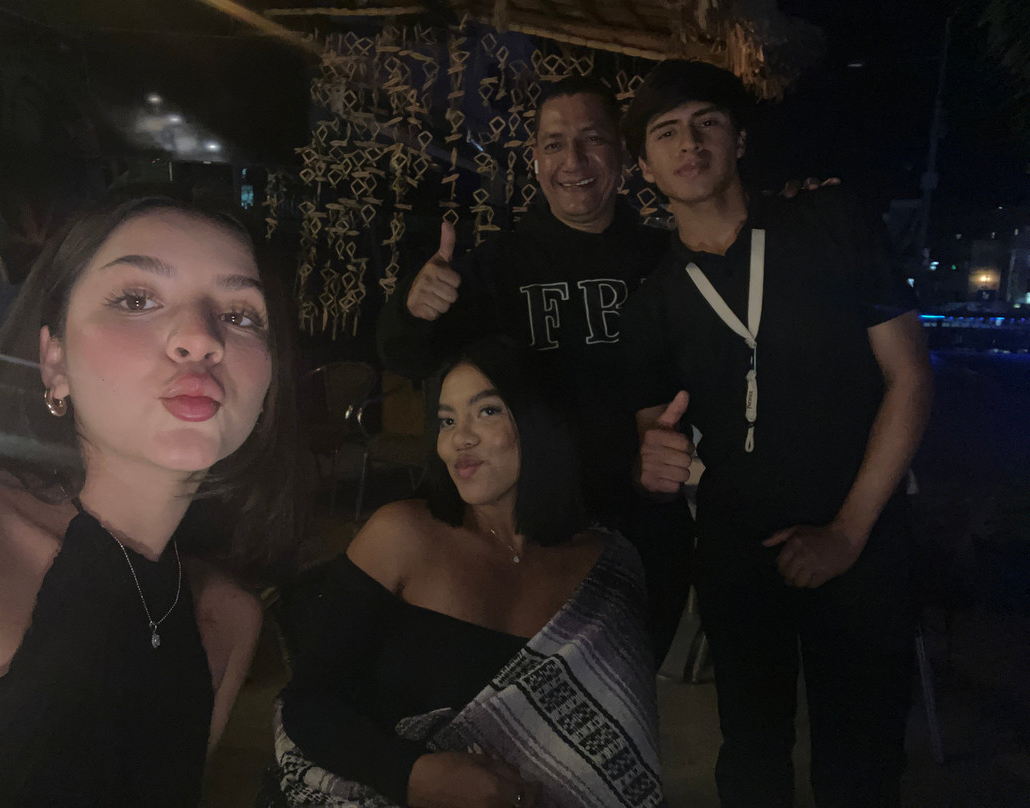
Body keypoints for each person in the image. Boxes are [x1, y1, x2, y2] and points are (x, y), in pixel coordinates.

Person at [619, 60, 933, 808]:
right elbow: (653, 432)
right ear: (645, 167)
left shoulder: (830, 222)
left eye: (708, 122)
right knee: (751, 758)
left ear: (739, 140)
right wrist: (650, 464)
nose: (689, 143)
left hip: (863, 538)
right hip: (738, 552)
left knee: (861, 765)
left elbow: (911, 379)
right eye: (666, 132)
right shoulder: (653, 301)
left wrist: (847, 533)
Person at [0, 195, 299, 806]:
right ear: (54, 360)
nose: (200, 338)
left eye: (241, 315)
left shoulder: (227, 620)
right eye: (136, 300)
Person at [376, 75, 694, 659]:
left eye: (592, 139)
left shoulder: (667, 260)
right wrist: (414, 309)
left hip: (642, 523)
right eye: (554, 144)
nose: (573, 160)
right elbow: (405, 355)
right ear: (536, 160)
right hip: (527, 529)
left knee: (622, 687)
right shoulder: (496, 266)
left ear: (624, 156)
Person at [277, 337, 665, 808]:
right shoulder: (402, 535)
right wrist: (411, 775)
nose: (459, 438)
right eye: (447, 420)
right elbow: (306, 701)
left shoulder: (607, 566)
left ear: (542, 422)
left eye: (487, 412)